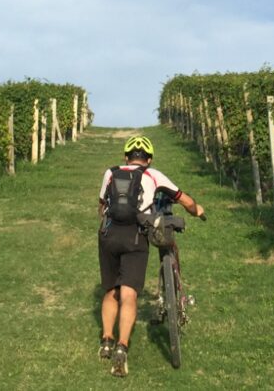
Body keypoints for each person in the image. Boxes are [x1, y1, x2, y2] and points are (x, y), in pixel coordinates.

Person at [97, 134, 204, 377]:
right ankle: (122, 348)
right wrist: (197, 210)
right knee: (129, 293)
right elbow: (183, 199)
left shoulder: (110, 173)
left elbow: (102, 204)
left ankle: (105, 340)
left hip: (109, 235)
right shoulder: (153, 175)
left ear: (126, 157)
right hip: (135, 237)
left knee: (111, 291)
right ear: (149, 159)